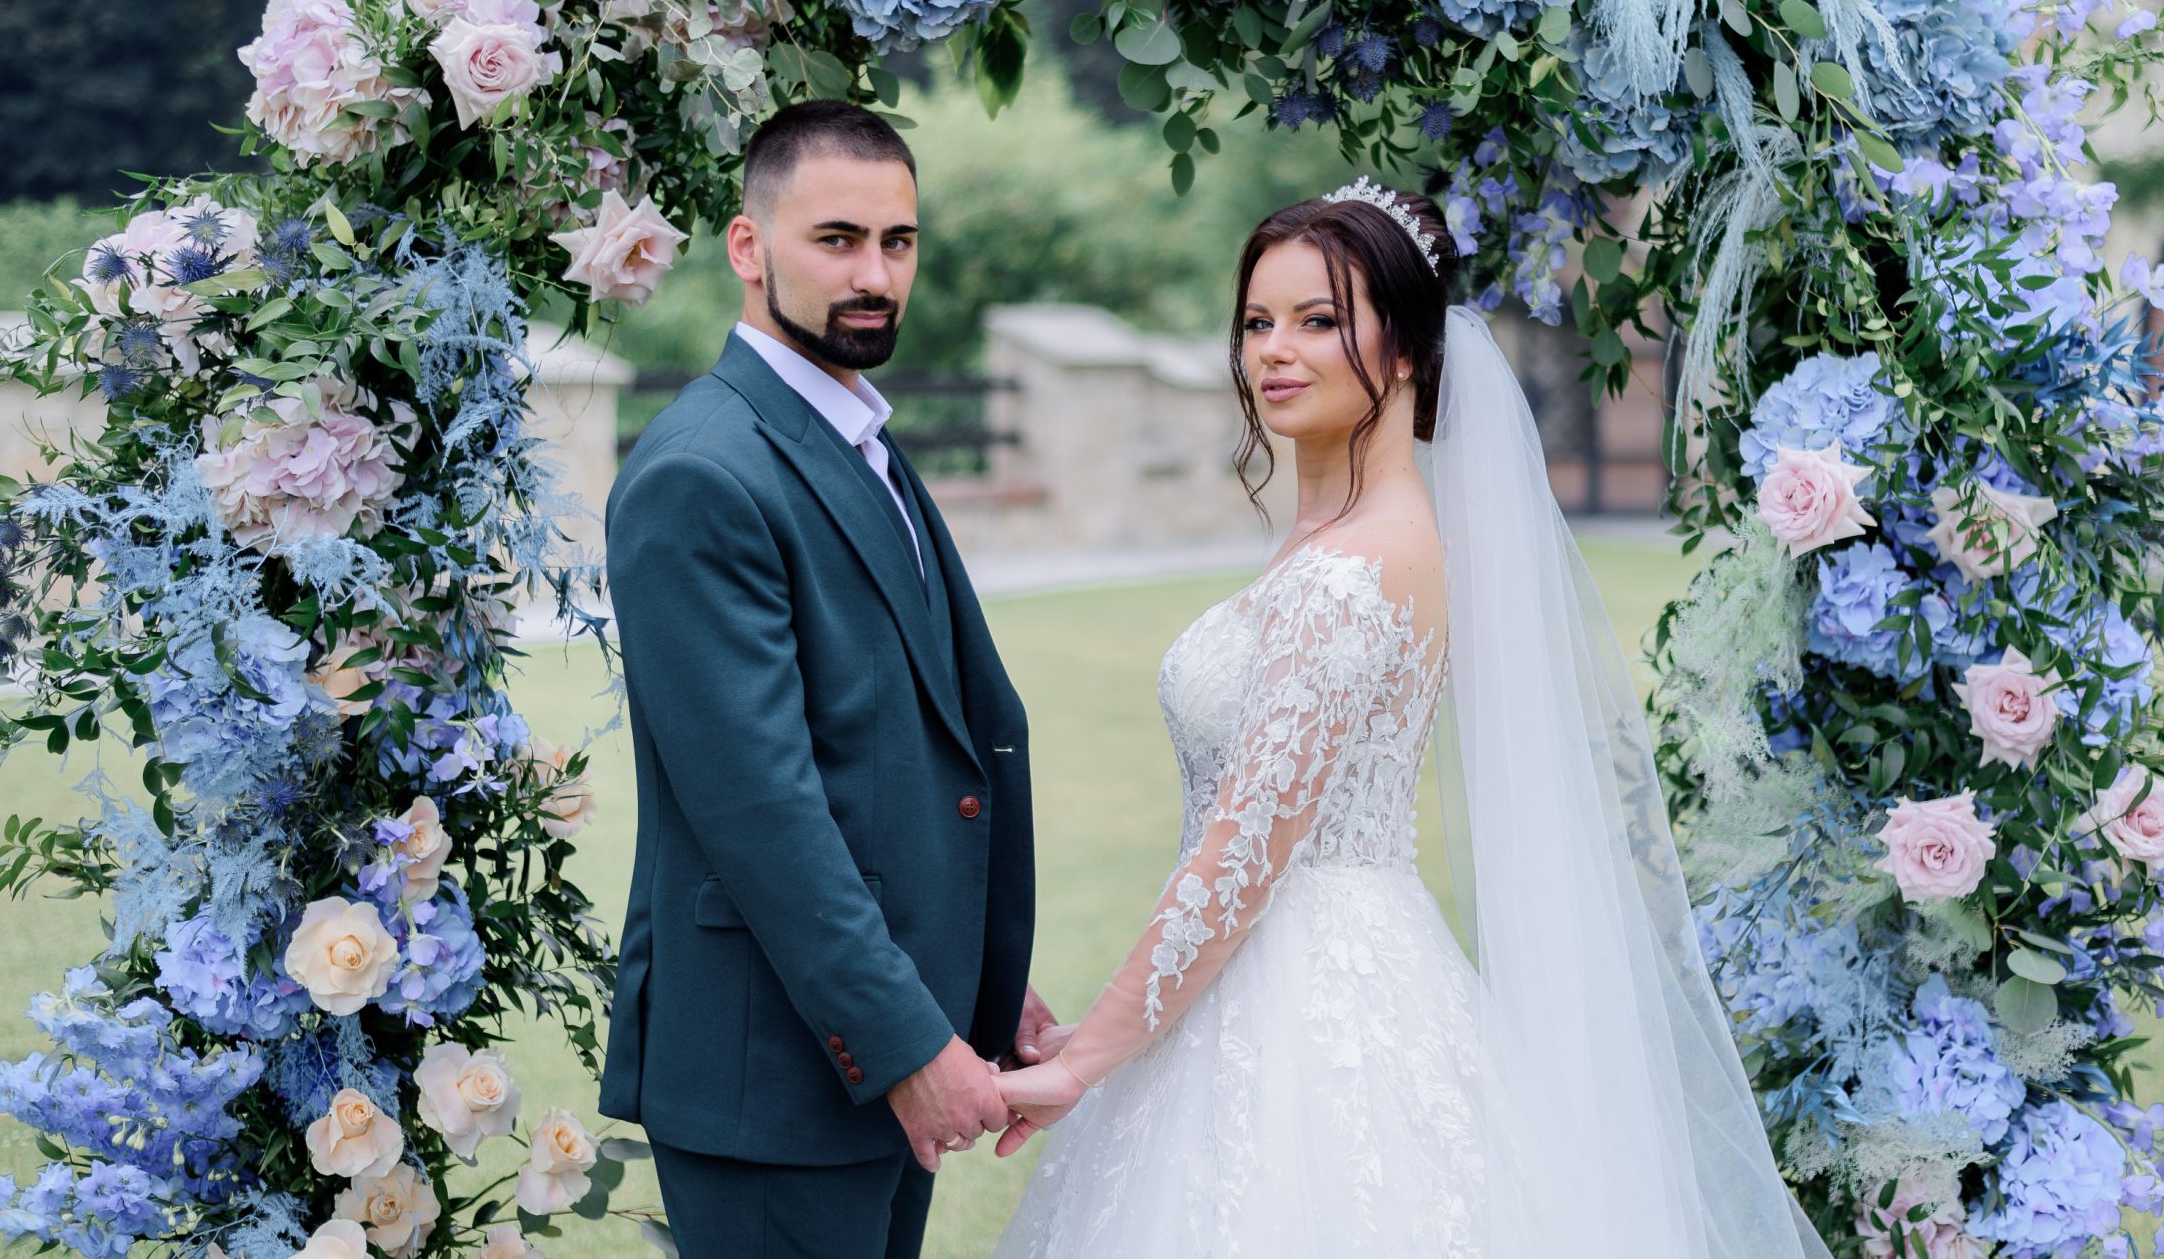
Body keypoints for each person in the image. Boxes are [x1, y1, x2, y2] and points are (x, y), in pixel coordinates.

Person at [986, 180, 1835, 1258]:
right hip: (1241, 981)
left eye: (1320, 319)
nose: (1275, 351)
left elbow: (1249, 843)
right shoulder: (1329, 542)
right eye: (1258, 321)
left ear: (1403, 352)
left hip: (1314, 1000)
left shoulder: (1360, 566)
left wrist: (1084, 1054)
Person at [598, 99, 1057, 1259]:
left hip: (866, 1041)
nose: (874, 273)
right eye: (837, 239)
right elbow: (764, 811)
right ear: (748, 249)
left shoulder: (853, 432)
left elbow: (899, 746)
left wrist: (980, 988)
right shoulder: (702, 472)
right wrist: (905, 1042)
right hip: (778, 1075)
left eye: (897, 242)